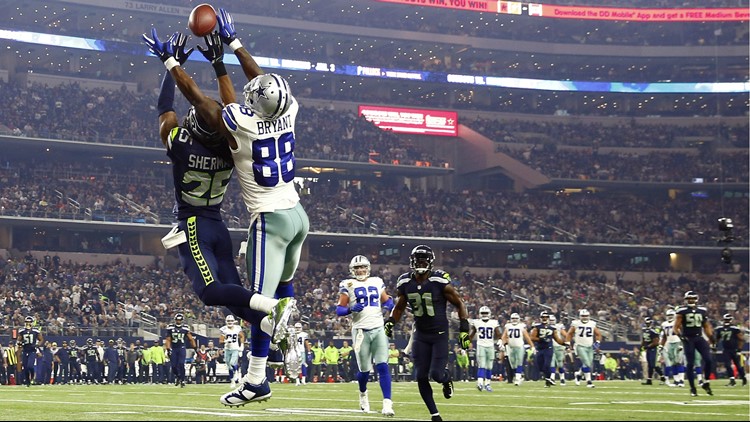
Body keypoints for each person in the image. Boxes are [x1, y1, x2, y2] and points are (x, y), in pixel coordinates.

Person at [143, 8, 309, 406]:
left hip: (236, 221)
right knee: (242, 298)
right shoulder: (284, 111)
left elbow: (184, 105)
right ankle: (264, 363)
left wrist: (171, 64)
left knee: (229, 294)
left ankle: (268, 342)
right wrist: (226, 53)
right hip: (294, 215)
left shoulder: (191, 138)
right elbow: (257, 88)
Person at [384, 245, 471, 422]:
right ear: (412, 262)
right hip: (421, 334)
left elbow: (460, 304)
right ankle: (435, 415)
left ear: (430, 262)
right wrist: (391, 321)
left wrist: (463, 329)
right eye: (417, 260)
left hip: (439, 334)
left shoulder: (439, 280)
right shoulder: (405, 282)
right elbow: (400, 306)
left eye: (424, 260)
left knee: (436, 375)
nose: (420, 263)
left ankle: (446, 379)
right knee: (421, 376)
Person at [336, 254, 395, 416]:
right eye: (357, 268)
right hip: (361, 331)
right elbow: (339, 309)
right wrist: (350, 309)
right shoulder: (348, 284)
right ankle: (363, 394)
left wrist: (389, 304)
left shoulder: (376, 281)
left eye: (362, 267)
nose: (360, 270)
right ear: (352, 270)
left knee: (383, 365)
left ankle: (387, 403)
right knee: (364, 371)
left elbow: (387, 300)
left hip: (378, 328)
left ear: (368, 268)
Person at [674, 290, 716, 397]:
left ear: (696, 299)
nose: (691, 300)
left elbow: (706, 326)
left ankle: (706, 382)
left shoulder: (701, 311)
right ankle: (693, 388)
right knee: (690, 363)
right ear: (686, 300)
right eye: (689, 299)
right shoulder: (682, 311)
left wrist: (711, 338)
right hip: (688, 338)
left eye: (693, 298)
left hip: (699, 337)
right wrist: (681, 337)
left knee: (708, 360)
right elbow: (676, 327)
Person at [566, 308, 602, 388]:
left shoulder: (592, 323)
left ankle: (578, 374)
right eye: (583, 316)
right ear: (580, 316)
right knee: (587, 363)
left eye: (586, 316)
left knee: (588, 363)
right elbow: (569, 334)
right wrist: (568, 344)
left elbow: (598, 334)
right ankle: (588, 381)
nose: (585, 317)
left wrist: (597, 343)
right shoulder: (576, 323)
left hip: (589, 346)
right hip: (580, 346)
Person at [529, 311, 566, 387]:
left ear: (548, 318)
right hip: (539, 348)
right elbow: (532, 337)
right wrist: (541, 339)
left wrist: (564, 344)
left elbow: (557, 339)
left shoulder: (552, 328)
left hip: (548, 348)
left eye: (546, 317)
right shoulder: (537, 327)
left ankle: (548, 380)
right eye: (543, 317)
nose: (544, 318)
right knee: (540, 366)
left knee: (547, 364)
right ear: (540, 318)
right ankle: (548, 379)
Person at [469, 306, 501, 392]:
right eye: (483, 313)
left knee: (489, 366)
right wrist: (466, 344)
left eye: (486, 313)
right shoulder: (476, 322)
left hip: (490, 346)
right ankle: (480, 383)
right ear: (480, 314)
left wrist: (501, 340)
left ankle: (487, 384)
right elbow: (471, 334)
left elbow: (498, 333)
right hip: (481, 345)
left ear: (489, 314)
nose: (484, 315)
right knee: (482, 365)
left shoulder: (494, 322)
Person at [501, 312, 534, 386]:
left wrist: (532, 345)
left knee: (519, 362)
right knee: (513, 364)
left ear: (518, 319)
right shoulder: (508, 326)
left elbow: (527, 337)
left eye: (516, 318)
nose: (514, 320)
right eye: (513, 318)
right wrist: (502, 344)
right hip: (510, 347)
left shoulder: (521, 326)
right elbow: (504, 336)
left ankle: (517, 378)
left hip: (519, 346)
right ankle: (520, 375)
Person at [165, 313, 197, 387]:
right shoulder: (170, 327)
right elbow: (168, 339)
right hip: (173, 348)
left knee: (181, 364)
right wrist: (168, 348)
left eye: (180, 320)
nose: (178, 321)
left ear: (182, 320)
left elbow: (191, 339)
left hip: (181, 348)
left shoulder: (185, 328)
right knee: (173, 366)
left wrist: (195, 347)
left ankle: (182, 380)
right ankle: (179, 377)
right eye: (177, 320)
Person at [714, 313, 746, 387]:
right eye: (726, 320)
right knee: (727, 365)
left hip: (734, 349)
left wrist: (739, 349)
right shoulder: (720, 329)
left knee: (737, 365)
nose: (726, 321)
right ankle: (732, 380)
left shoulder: (735, 329)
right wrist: (715, 345)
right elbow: (717, 339)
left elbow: (741, 339)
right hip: (726, 349)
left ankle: (743, 378)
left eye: (728, 320)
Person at [660, 308, 685, 387]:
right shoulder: (664, 324)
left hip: (678, 342)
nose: (670, 317)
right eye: (668, 315)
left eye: (671, 315)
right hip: (669, 343)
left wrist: (682, 343)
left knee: (679, 361)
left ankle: (681, 380)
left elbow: (682, 332)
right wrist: (661, 345)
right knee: (673, 362)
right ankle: (676, 380)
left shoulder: (677, 322)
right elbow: (664, 336)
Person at [220, 314, 246, 388]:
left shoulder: (237, 328)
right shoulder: (224, 329)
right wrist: (225, 341)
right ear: (226, 321)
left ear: (234, 321)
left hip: (235, 348)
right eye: (228, 321)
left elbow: (242, 336)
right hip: (227, 349)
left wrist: (242, 345)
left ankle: (236, 373)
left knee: (232, 363)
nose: (230, 322)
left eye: (231, 321)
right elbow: (220, 341)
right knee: (229, 366)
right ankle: (232, 381)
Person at [18, 316, 43, 387]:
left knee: (30, 366)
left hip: (32, 350)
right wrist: (19, 343)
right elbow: (18, 340)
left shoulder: (36, 331)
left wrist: (37, 345)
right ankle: (27, 382)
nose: (28, 323)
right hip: (25, 350)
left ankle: (32, 376)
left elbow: (41, 339)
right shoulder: (22, 331)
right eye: (27, 322)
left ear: (32, 323)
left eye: (29, 322)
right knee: (25, 367)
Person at [548, 314, 568, 386]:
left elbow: (566, 335)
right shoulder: (545, 327)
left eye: (552, 320)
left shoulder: (559, 326)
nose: (551, 322)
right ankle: (552, 378)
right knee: (552, 363)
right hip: (550, 347)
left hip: (559, 347)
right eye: (550, 320)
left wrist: (566, 343)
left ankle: (562, 378)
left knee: (560, 364)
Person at [640, 316, 661, 385]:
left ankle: (663, 377)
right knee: (650, 365)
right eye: (646, 323)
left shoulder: (654, 330)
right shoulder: (645, 330)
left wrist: (647, 346)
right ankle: (649, 380)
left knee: (653, 365)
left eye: (648, 323)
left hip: (654, 349)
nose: (647, 324)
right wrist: (642, 346)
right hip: (648, 349)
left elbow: (656, 342)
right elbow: (644, 339)